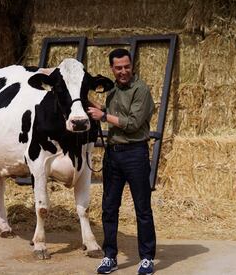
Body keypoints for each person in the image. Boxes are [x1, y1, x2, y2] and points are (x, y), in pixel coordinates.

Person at [87, 48, 156, 275]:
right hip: (113, 155)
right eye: (119, 68)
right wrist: (94, 106)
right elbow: (111, 111)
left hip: (135, 154)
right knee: (108, 208)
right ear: (112, 69)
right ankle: (110, 257)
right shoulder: (113, 90)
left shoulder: (141, 90)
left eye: (127, 66)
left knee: (142, 208)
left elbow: (133, 122)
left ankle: (146, 258)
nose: (123, 71)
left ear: (132, 66)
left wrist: (104, 117)